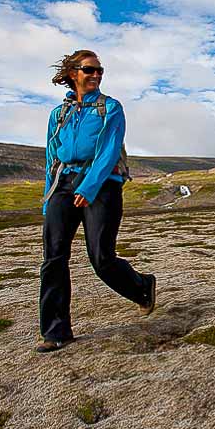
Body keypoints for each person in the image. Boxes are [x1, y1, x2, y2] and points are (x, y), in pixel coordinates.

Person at [37, 49, 156, 353]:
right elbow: (52, 156)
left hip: (102, 185)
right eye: (89, 70)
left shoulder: (111, 108)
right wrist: (49, 197)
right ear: (72, 73)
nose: (96, 75)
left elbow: (108, 151)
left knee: (101, 257)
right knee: (54, 258)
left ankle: (142, 288)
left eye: (99, 70)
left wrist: (88, 188)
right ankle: (55, 331)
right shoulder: (58, 114)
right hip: (63, 184)